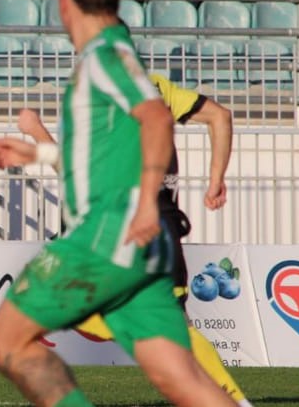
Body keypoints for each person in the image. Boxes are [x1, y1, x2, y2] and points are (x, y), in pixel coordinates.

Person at [0, 0, 237, 407]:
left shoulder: (105, 57)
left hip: (107, 233)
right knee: (184, 381)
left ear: (64, 1)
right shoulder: (115, 50)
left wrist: (143, 203)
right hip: (144, 246)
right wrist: (38, 152)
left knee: (6, 341)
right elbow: (105, 155)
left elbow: (156, 119)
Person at [16, 80, 255, 407]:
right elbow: (220, 116)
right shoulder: (158, 87)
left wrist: (36, 132)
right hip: (162, 224)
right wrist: (215, 180)